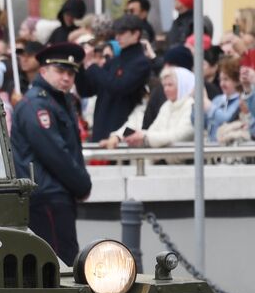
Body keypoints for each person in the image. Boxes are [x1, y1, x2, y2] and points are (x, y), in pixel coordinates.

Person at [11, 43, 91, 263]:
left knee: (61, 260)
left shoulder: (57, 101)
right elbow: (55, 153)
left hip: (54, 194)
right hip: (46, 195)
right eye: (60, 71)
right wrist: (82, 184)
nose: (66, 78)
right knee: (59, 263)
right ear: (44, 70)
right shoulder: (38, 104)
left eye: (71, 73)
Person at [76, 14, 151, 141]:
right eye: (116, 33)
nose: (117, 37)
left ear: (136, 34)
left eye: (122, 33)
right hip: (101, 128)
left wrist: (92, 66)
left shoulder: (141, 63)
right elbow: (86, 90)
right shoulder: (114, 62)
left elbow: (118, 86)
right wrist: (80, 66)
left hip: (122, 133)